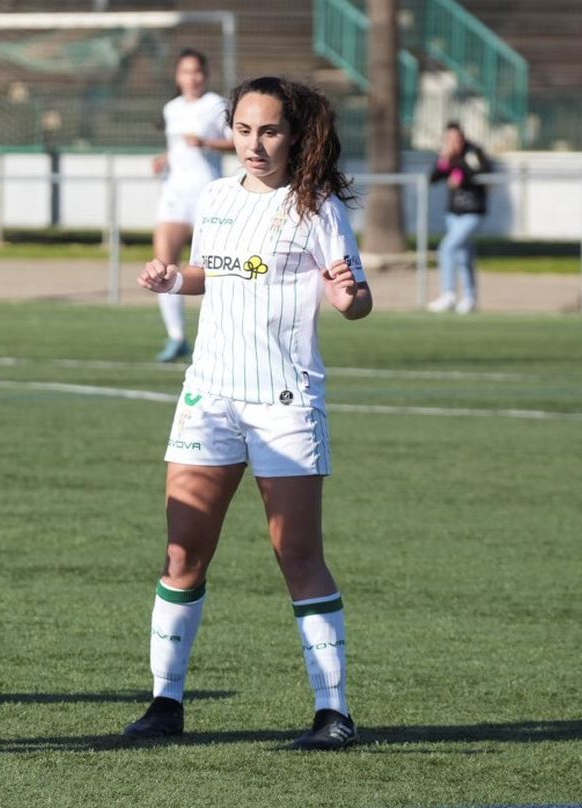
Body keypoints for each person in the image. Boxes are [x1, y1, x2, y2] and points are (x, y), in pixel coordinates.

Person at [126, 76, 373, 750]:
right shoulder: (213, 196)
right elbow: (214, 270)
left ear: (294, 134)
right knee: (183, 554)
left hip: (284, 403)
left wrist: (348, 297)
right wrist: (175, 279)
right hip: (209, 398)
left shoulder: (317, 206)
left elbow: (356, 299)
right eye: (243, 130)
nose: (255, 144)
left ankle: (333, 712)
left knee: (298, 555)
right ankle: (164, 705)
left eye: (269, 131)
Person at [150, 48, 233, 362]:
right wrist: (165, 160)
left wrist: (207, 143)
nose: (192, 77)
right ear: (178, 76)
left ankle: (218, 338)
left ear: (206, 75)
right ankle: (176, 336)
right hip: (174, 195)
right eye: (186, 71)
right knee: (164, 266)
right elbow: (177, 148)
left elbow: (237, 141)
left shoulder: (215, 106)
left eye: (197, 71)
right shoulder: (171, 108)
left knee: (213, 270)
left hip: (206, 197)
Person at [427, 122, 491, 314]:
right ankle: (470, 298)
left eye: (456, 139)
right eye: (449, 139)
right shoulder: (448, 155)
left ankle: (449, 294)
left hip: (473, 212)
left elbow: (483, 171)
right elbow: (434, 178)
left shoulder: (473, 152)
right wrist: (445, 160)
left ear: (463, 138)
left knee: (447, 247)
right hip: (454, 213)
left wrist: (459, 168)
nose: (453, 142)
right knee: (464, 256)